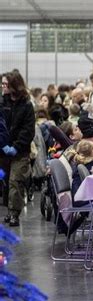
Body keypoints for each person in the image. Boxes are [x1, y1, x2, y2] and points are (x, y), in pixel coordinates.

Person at [0, 71, 36, 227]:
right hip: (2, 150)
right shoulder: (2, 102)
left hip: (20, 152)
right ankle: (9, 211)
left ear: (14, 85)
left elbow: (28, 130)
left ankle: (14, 213)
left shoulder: (27, 105)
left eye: (5, 84)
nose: (2, 86)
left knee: (15, 181)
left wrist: (15, 146)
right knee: (7, 182)